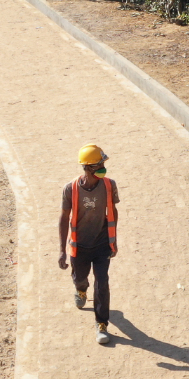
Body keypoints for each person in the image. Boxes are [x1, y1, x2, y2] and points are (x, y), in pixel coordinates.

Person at [57, 143, 119, 346]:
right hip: (79, 245)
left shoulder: (109, 185)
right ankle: (81, 289)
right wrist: (62, 251)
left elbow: (113, 211)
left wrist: (113, 239)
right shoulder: (71, 189)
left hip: (102, 244)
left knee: (102, 283)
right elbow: (64, 217)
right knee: (80, 277)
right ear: (88, 167)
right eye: (99, 163)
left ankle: (101, 324)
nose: (103, 166)